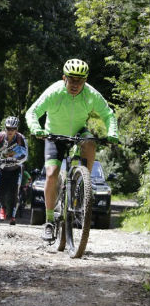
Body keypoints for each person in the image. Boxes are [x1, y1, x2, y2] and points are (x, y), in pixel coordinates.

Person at [25, 58, 119, 241]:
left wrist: (113, 132)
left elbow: (108, 114)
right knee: (52, 174)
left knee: (90, 142)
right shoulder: (55, 91)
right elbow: (32, 112)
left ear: (85, 80)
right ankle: (50, 220)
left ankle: (85, 182)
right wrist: (36, 128)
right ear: (64, 78)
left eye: (80, 80)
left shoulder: (90, 94)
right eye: (71, 79)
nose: (75, 84)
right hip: (54, 135)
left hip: (77, 133)